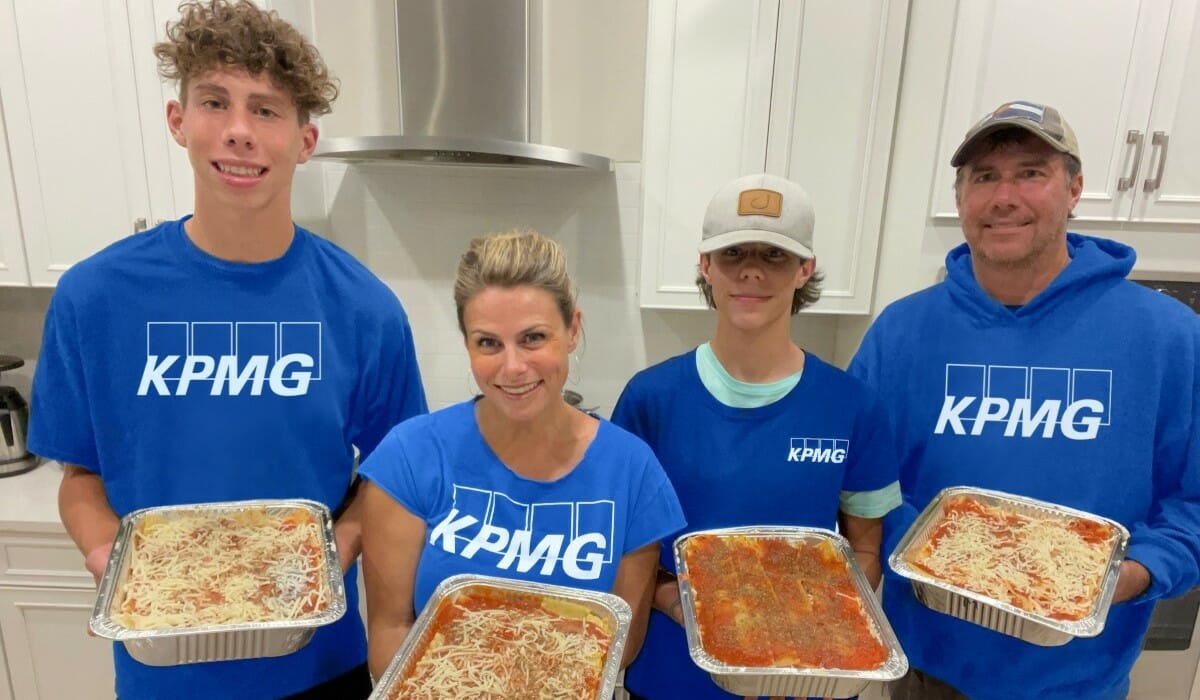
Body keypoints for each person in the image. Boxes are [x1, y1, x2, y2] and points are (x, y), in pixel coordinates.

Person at [26, 1, 428, 697]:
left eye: (266, 110)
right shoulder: (95, 299)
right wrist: (109, 562)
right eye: (216, 101)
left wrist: (329, 559)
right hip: (162, 672)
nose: (239, 131)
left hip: (318, 667)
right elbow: (80, 477)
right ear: (178, 121)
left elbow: (391, 483)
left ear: (304, 141)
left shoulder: (365, 309)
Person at [848, 100, 1200, 700]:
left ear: (1075, 188)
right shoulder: (902, 332)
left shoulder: (1167, 337)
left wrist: (1124, 577)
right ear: (961, 199)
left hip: (1081, 680)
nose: (1004, 195)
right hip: (926, 673)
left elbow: (1192, 503)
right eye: (984, 176)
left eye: (1030, 172)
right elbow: (863, 486)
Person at [612, 173, 903, 700]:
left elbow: (864, 552)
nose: (750, 270)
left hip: (800, 680)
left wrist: (794, 638)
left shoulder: (852, 407)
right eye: (733, 253)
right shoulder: (650, 399)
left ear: (804, 269)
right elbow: (627, 552)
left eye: (774, 255)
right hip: (673, 676)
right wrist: (684, 607)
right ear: (705, 264)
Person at [358, 229, 686, 683]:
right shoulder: (411, 457)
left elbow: (618, 647)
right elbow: (391, 627)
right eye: (488, 343)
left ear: (572, 330)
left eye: (533, 338)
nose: (512, 367)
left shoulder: (632, 471)